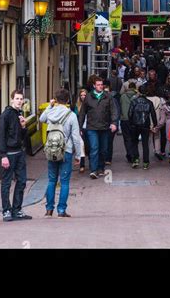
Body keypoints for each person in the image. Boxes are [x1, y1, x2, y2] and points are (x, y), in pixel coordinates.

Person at [40, 89, 82, 217]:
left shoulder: (51, 111)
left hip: (51, 150)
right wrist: (78, 155)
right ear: (68, 100)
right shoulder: (71, 115)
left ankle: (48, 209)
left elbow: (42, 119)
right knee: (64, 182)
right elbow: (76, 137)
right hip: (66, 151)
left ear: (56, 100)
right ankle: (61, 210)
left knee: (51, 180)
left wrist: (50, 106)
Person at [0, 89, 32, 222]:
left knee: (22, 181)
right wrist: (3, 155)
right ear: (12, 100)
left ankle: (17, 209)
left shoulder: (20, 114)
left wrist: (23, 127)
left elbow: (22, 137)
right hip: (9, 154)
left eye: (21, 99)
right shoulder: (5, 115)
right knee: (6, 183)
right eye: (17, 98)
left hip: (19, 153)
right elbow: (1, 136)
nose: (19, 101)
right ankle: (6, 210)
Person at [78, 77, 117, 179]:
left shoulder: (108, 96)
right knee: (94, 148)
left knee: (103, 149)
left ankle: (101, 168)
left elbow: (113, 110)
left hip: (104, 127)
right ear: (94, 86)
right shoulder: (88, 97)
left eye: (101, 84)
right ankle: (93, 170)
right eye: (98, 85)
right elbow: (82, 113)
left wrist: (114, 123)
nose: (100, 86)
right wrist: (79, 127)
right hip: (92, 127)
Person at [128, 84, 157, 170]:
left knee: (134, 143)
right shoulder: (149, 103)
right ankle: (145, 162)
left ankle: (136, 159)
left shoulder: (134, 101)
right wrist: (154, 124)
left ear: (138, 92)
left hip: (134, 124)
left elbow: (129, 114)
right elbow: (153, 115)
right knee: (145, 144)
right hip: (145, 125)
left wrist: (131, 123)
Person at [120, 80, 138, 162]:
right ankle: (134, 154)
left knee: (127, 138)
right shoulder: (137, 96)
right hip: (135, 120)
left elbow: (120, 106)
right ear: (135, 88)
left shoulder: (123, 96)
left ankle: (129, 154)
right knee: (134, 138)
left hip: (125, 119)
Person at [103, 80, 121, 165]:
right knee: (104, 141)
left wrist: (115, 124)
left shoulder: (113, 100)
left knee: (109, 141)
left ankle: (108, 158)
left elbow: (116, 112)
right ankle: (105, 157)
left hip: (110, 124)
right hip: (103, 124)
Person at [146, 82, 165, 160]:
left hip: (147, 121)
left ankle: (146, 151)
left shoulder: (145, 99)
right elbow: (162, 109)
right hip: (156, 120)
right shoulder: (158, 99)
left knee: (148, 138)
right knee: (157, 137)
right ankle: (157, 151)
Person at [75, 88, 89, 173]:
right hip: (81, 128)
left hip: (90, 127)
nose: (83, 97)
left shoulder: (90, 104)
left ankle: (92, 163)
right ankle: (82, 165)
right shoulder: (77, 106)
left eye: (84, 95)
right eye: (81, 95)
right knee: (81, 146)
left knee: (90, 146)